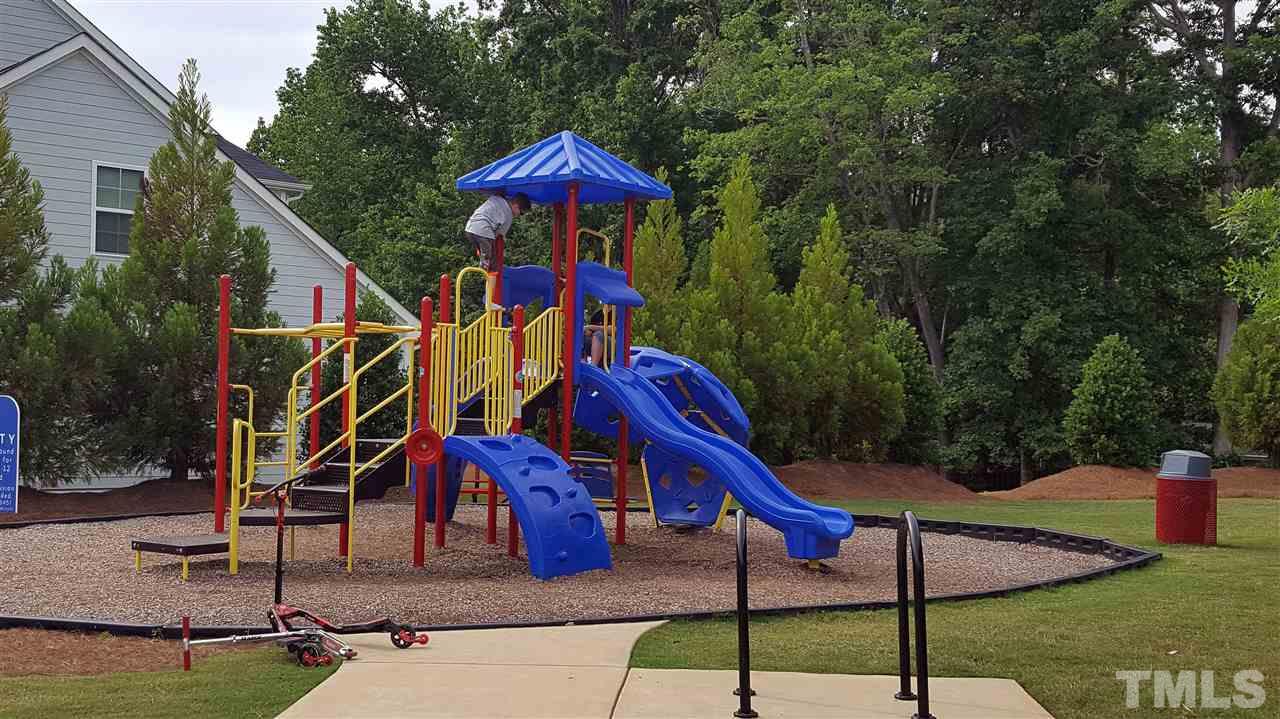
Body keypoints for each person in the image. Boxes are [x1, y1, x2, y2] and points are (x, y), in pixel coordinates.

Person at [464, 192, 531, 271]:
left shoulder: (497, 198)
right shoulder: (508, 215)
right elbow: (499, 235)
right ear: (516, 206)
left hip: (469, 228)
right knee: (493, 263)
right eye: (521, 213)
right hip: (484, 231)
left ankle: (483, 262)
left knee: (485, 253)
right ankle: (486, 275)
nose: (519, 215)